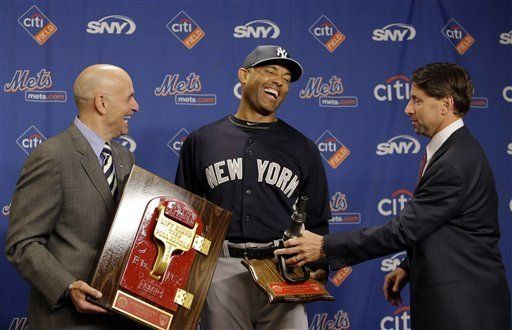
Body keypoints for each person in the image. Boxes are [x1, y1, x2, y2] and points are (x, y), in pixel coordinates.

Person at [275, 62, 511, 329]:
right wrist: (408, 266)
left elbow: (403, 230)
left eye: (416, 100)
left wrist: (324, 247)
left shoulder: (455, 163)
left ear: (445, 104)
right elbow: (443, 228)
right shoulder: (453, 152)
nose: (408, 109)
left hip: (463, 308)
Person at [175, 45, 331, 329]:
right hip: (221, 269)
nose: (279, 81)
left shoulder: (303, 147)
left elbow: (318, 221)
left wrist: (319, 266)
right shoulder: (202, 140)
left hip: (283, 268)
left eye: (286, 78)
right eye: (270, 71)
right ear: (244, 76)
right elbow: (186, 214)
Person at [5, 64, 141, 329]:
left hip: (119, 318)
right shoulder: (52, 156)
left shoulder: (124, 157)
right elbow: (22, 243)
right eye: (129, 98)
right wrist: (68, 287)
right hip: (68, 320)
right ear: (102, 103)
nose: (135, 106)